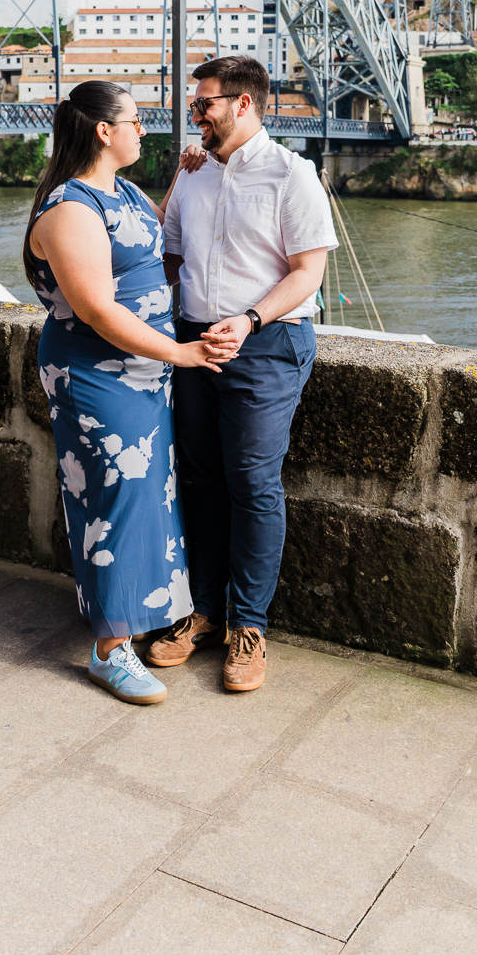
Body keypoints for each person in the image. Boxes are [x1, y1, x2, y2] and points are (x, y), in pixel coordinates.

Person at [23, 79, 236, 706]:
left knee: (143, 496)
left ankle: (124, 616)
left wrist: (183, 177)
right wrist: (182, 352)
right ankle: (108, 652)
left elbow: (145, 240)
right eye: (136, 121)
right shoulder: (70, 208)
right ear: (103, 131)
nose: (144, 130)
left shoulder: (121, 192)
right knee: (119, 498)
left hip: (139, 373)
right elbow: (93, 307)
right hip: (98, 373)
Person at [150, 55, 337, 693]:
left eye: (204, 103)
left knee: (253, 482)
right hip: (193, 342)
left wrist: (251, 320)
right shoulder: (195, 175)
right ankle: (201, 611)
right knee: (199, 478)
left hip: (266, 343)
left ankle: (248, 626)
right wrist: (176, 180)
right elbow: (164, 255)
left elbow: (308, 273)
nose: (194, 113)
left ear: (243, 104)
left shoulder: (293, 175)